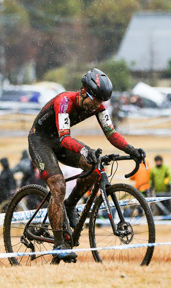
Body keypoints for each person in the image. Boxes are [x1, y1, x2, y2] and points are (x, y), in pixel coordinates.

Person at [27, 67, 145, 263]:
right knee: (58, 184)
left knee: (94, 167)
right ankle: (59, 244)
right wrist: (84, 150)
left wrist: (131, 150)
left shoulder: (98, 106)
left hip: (57, 139)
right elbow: (65, 138)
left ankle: (71, 204)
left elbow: (111, 133)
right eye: (94, 101)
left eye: (100, 103)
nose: (96, 107)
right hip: (40, 140)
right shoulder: (64, 102)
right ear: (83, 92)